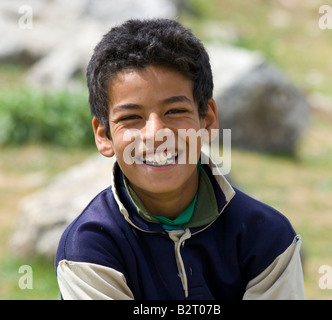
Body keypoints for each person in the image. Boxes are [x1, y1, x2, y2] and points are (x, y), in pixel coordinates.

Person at [55, 18, 305, 300]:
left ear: (207, 119)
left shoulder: (266, 238)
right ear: (103, 135)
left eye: (174, 111)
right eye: (131, 118)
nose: (156, 133)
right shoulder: (88, 249)